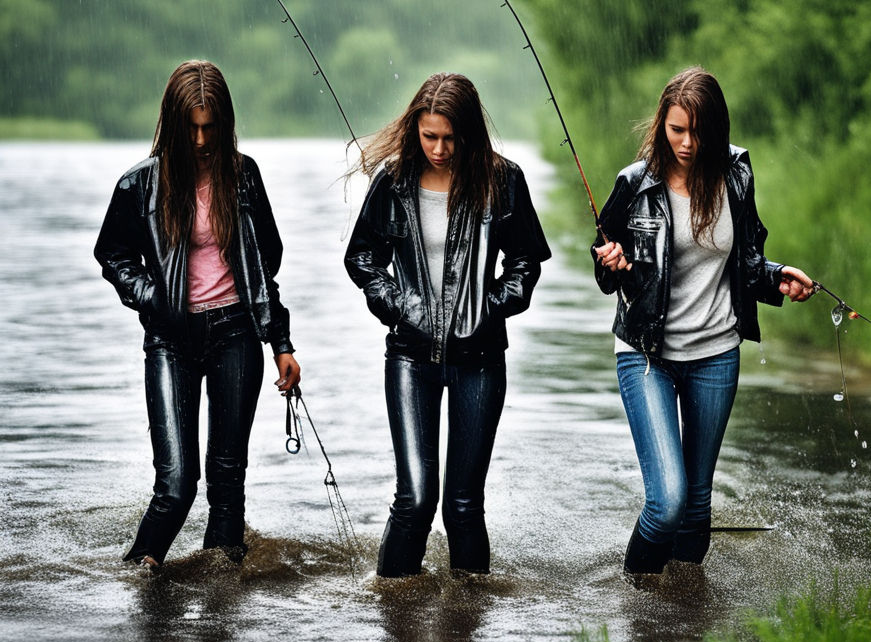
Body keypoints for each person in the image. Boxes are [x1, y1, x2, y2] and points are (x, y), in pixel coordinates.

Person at [592, 66, 814, 576]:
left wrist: (779, 277)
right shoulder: (635, 184)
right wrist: (613, 264)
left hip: (716, 354)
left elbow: (746, 261)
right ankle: (637, 608)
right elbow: (606, 273)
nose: (687, 143)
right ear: (662, 126)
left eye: (698, 131)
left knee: (695, 507)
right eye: (676, 130)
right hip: (647, 356)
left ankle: (684, 621)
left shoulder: (736, 175)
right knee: (667, 500)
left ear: (717, 127)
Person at [95, 59, 300, 567]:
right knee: (177, 483)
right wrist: (153, 299)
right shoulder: (139, 185)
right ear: (174, 122)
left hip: (236, 332)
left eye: (211, 127)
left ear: (225, 124)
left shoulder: (243, 176)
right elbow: (112, 254)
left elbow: (263, 266)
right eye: (192, 128)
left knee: (228, 479)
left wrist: (281, 344)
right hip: (170, 338)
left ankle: (221, 601)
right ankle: (138, 578)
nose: (203, 140)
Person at [345, 72, 551, 577]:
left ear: (469, 133)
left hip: (480, 362)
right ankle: (393, 621)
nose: (439, 148)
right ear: (415, 128)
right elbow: (362, 259)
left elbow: (526, 262)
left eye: (449, 138)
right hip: (409, 359)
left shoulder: (503, 180)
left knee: (462, 506)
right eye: (428, 135)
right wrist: (399, 308)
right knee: (415, 499)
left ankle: (465, 629)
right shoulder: (392, 182)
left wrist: (489, 307)